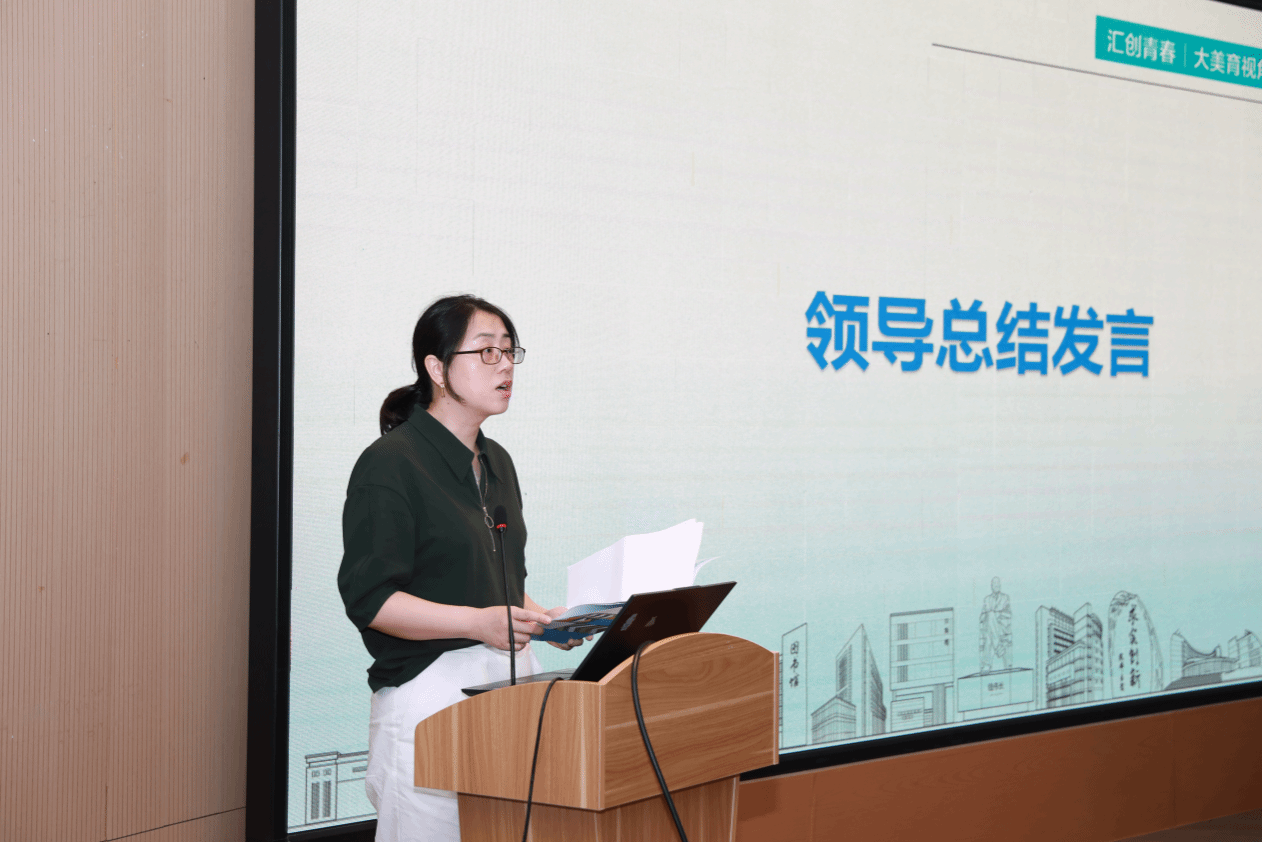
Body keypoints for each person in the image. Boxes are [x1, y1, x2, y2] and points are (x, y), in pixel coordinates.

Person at [338, 295, 582, 842]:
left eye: (510, 352)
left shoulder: (497, 461)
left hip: (510, 691)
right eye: (486, 351)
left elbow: (494, 583)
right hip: (430, 697)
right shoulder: (390, 464)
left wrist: (544, 619)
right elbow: (372, 600)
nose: (504, 366)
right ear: (437, 367)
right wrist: (477, 623)